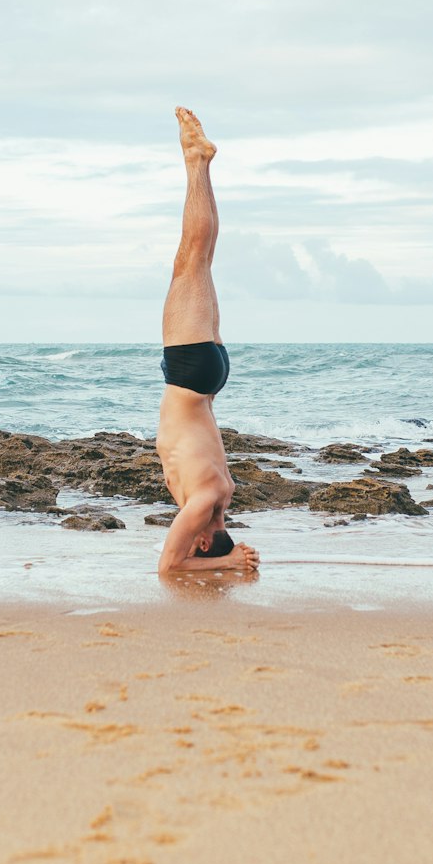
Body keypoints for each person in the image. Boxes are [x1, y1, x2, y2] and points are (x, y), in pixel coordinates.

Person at [155, 107, 260, 576]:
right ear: (201, 540)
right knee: (191, 259)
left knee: (199, 260)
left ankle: (200, 162)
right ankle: (196, 161)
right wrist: (231, 563)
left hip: (210, 375)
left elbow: (180, 560)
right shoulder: (202, 503)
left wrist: (230, 557)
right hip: (190, 373)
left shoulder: (222, 495)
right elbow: (168, 568)